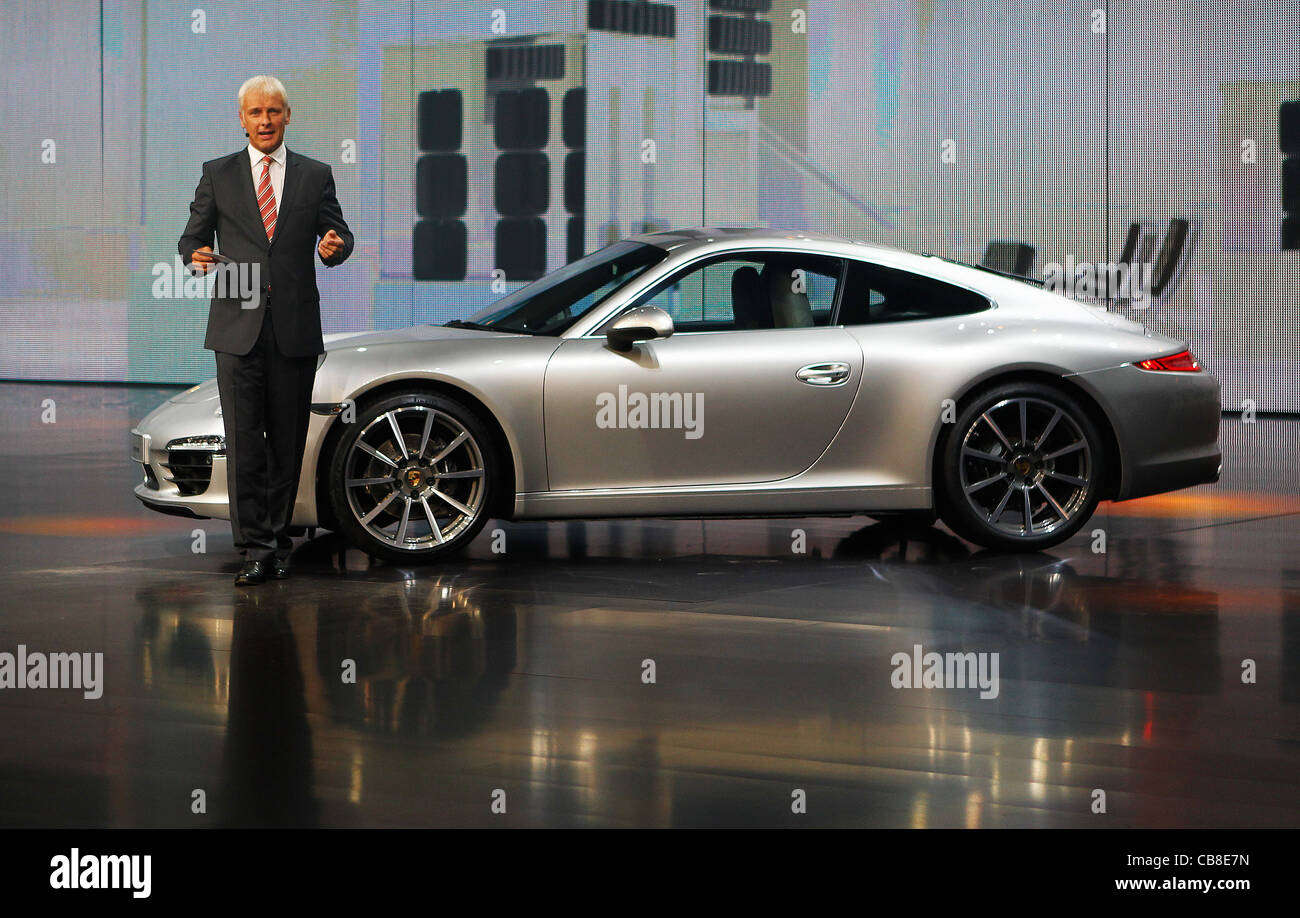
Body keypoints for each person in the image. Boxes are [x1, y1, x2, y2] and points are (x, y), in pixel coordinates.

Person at [179, 75, 354, 585]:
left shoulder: (314, 174)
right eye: (255, 113)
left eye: (273, 112)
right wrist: (194, 256)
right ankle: (255, 546)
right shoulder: (218, 173)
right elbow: (192, 237)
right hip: (237, 330)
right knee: (245, 444)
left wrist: (335, 246)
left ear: (287, 115)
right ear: (242, 119)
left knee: (287, 442)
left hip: (294, 329)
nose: (265, 121)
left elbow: (338, 233)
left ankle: (276, 540)